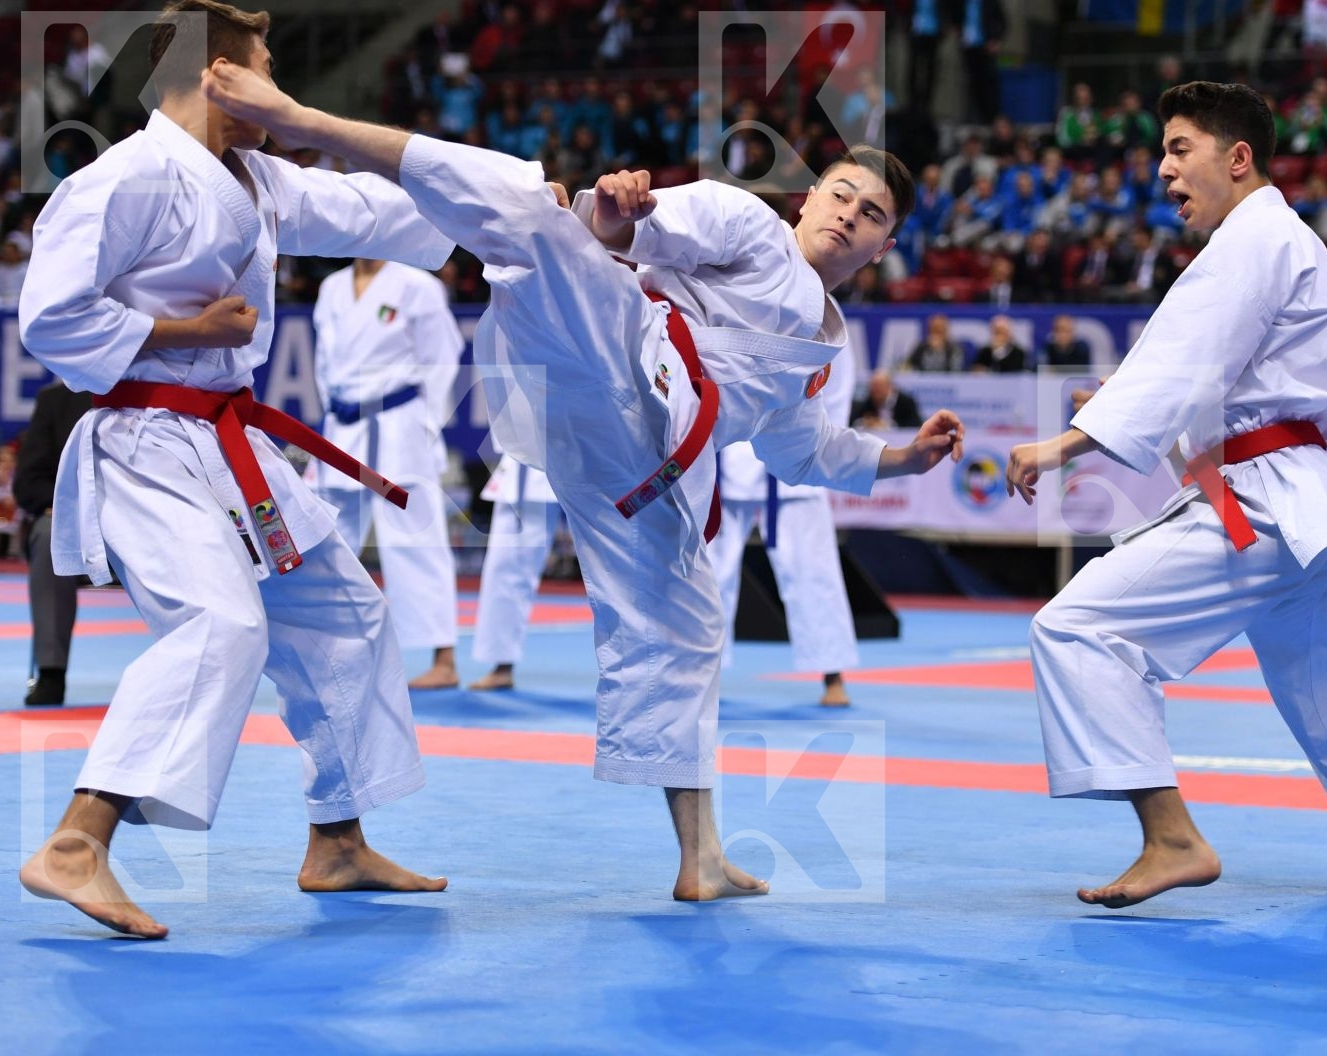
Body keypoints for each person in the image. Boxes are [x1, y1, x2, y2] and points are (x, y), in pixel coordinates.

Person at [203, 61, 967, 900]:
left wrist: (904, 458)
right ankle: (304, 120)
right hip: (621, 354)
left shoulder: (825, 350)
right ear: (806, 199)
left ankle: (700, 857)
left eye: (871, 216)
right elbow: (636, 230)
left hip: (644, 469)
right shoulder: (745, 222)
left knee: (689, 630)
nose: (849, 217)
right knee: (532, 213)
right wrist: (612, 214)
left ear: (885, 248)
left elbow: (803, 450)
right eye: (841, 196)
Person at [16, 0, 451, 939]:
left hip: (230, 443)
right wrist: (185, 330)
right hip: (148, 439)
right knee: (219, 623)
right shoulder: (124, 177)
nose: (278, 90)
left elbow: (375, 209)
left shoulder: (251, 177)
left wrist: (526, 213)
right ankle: (77, 842)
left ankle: (336, 839)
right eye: (264, 67)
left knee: (344, 611)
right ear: (218, 74)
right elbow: (49, 317)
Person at [1004, 81, 1327, 910]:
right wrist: (1131, 410)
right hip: (1301, 509)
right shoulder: (1280, 240)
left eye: (1178, 148)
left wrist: (1062, 444)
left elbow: (1177, 364)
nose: (1162, 171)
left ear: (1238, 158)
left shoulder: (1253, 238)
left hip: (1263, 505)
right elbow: (1212, 378)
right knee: (1325, 694)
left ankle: (1172, 838)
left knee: (1076, 628)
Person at [311, 259, 467, 691]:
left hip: (398, 423)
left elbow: (441, 359)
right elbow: (324, 362)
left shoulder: (416, 285)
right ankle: (326, 644)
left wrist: (426, 425)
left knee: (417, 537)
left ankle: (444, 658)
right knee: (329, 535)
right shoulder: (332, 287)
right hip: (344, 425)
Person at [709, 336, 861, 708]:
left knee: (814, 571)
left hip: (796, 455)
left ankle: (832, 673)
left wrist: (819, 448)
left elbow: (838, 385)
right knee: (708, 574)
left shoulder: (821, 307)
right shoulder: (729, 291)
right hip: (728, 455)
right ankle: (700, 673)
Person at [15, 381, 94, 706]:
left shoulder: (154, 389)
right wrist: (75, 507)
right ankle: (51, 673)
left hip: (146, 521)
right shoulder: (56, 400)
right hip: (76, 524)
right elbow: (29, 483)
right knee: (49, 534)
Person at [460, 453, 565, 692]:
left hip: (594, 446)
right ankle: (502, 664)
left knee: (620, 568)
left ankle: (646, 666)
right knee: (507, 564)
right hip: (530, 458)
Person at [851, 369, 923, 430]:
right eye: (873, 387)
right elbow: (853, 421)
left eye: (879, 387)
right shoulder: (869, 401)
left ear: (889, 387)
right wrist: (865, 422)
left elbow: (915, 424)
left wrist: (889, 425)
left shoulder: (906, 402)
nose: (875, 391)